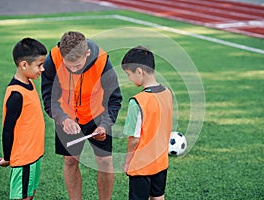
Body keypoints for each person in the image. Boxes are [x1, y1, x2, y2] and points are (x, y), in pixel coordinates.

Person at [41, 31, 122, 200]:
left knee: (105, 163)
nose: (73, 69)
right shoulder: (53, 59)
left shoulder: (102, 60)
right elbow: (49, 97)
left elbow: (114, 99)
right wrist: (62, 119)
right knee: (69, 160)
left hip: (97, 115)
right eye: (68, 65)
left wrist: (105, 125)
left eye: (77, 66)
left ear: (87, 53)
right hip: (66, 115)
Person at [0, 38, 47, 200]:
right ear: (24, 65)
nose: (43, 69)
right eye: (39, 65)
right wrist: (7, 158)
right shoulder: (16, 94)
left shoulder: (29, 83)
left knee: (29, 194)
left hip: (33, 154)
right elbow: (7, 129)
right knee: (21, 196)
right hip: (24, 157)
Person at [121, 46, 173, 200]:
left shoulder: (137, 102)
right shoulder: (167, 93)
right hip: (161, 161)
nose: (129, 79)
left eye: (128, 74)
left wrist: (127, 162)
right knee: (158, 197)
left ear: (139, 71)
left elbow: (134, 138)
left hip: (141, 165)